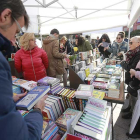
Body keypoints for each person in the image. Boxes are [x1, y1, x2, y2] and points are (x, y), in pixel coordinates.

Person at [0, 1, 47, 140]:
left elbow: (46, 63)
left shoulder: (40, 51)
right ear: (6, 16)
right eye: (16, 32)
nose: (14, 41)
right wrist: (38, 110)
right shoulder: (18, 54)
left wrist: (11, 99)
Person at [120, 36, 140, 119]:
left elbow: (131, 67)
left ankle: (132, 113)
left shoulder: (138, 53)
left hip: (135, 80)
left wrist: (123, 63)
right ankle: (130, 108)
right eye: (129, 42)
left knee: (135, 98)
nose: (129, 44)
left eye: (131, 42)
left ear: (138, 43)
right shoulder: (133, 52)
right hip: (132, 79)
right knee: (131, 96)